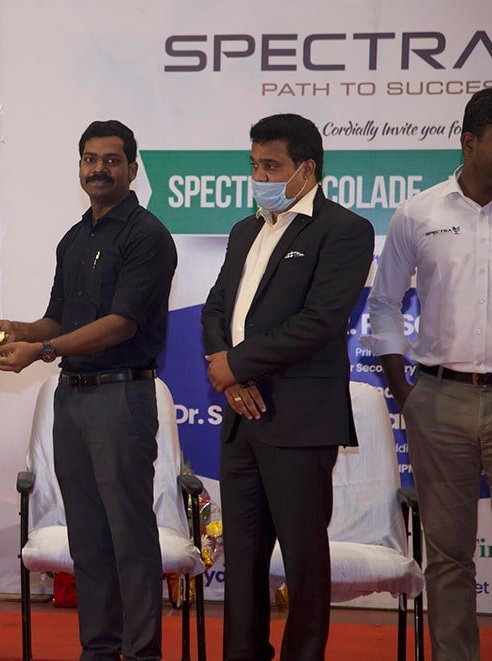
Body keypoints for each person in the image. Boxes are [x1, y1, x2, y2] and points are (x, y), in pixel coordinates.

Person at [0, 120, 176, 661]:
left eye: (112, 160)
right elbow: (57, 318)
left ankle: (141, 652)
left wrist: (42, 351)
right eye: (90, 159)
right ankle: (98, 648)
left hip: (121, 398)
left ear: (132, 167)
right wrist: (20, 330)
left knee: (129, 535)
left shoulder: (147, 236)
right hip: (71, 398)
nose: (99, 169)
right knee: (87, 536)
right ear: (79, 167)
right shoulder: (74, 238)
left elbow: (121, 324)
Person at [200, 113, 374, 661]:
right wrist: (229, 376)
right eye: (254, 165)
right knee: (243, 558)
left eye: (271, 167)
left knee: (304, 561)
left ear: (306, 169)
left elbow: (321, 321)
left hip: (299, 420)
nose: (260, 177)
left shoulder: (344, 230)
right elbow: (215, 309)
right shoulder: (245, 230)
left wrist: (238, 365)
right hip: (241, 417)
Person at [364, 88, 492, 661]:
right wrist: (404, 393)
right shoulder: (419, 212)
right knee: (448, 556)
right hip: (439, 401)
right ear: (469, 142)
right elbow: (384, 304)